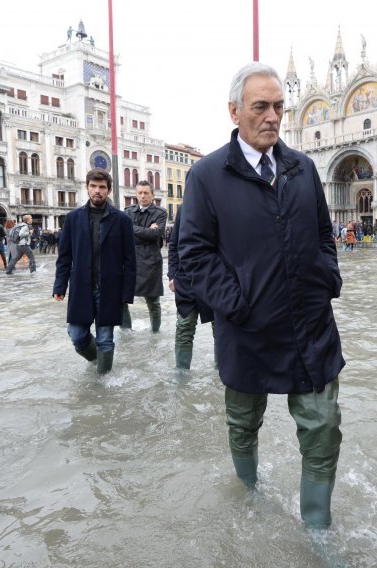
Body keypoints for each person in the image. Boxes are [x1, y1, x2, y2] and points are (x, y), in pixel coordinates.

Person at [177, 62, 344, 530]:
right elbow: (194, 252)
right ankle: (250, 499)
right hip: (246, 329)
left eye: (278, 107)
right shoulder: (207, 175)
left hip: (310, 326)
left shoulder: (303, 167)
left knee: (323, 430)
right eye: (260, 107)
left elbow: (325, 234)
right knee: (243, 425)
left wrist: (327, 278)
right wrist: (236, 303)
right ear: (234, 111)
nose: (272, 117)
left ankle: (317, 531)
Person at [53, 168, 136, 374]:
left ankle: (103, 384)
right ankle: (96, 361)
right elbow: (64, 257)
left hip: (110, 288)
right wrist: (60, 285)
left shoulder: (122, 220)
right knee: (76, 335)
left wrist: (127, 293)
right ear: (87, 187)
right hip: (81, 286)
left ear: (108, 190)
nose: (97, 191)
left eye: (102, 187)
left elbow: (130, 260)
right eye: (93, 186)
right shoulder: (72, 218)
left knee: (105, 339)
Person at [167, 213, 215, 369]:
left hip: (215, 279)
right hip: (185, 279)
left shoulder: (218, 203)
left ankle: (222, 374)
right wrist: (172, 275)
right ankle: (182, 377)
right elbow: (173, 245)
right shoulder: (183, 209)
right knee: (184, 328)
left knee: (221, 330)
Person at [122, 181, 166, 333]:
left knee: (153, 301)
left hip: (151, 261)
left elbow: (156, 234)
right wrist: (146, 231)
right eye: (140, 192)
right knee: (122, 299)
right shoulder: (127, 211)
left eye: (146, 193)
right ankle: (126, 333)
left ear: (152, 195)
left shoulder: (160, 213)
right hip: (129, 260)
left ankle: (155, 334)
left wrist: (135, 231)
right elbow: (123, 232)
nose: (143, 196)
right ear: (136, 195)